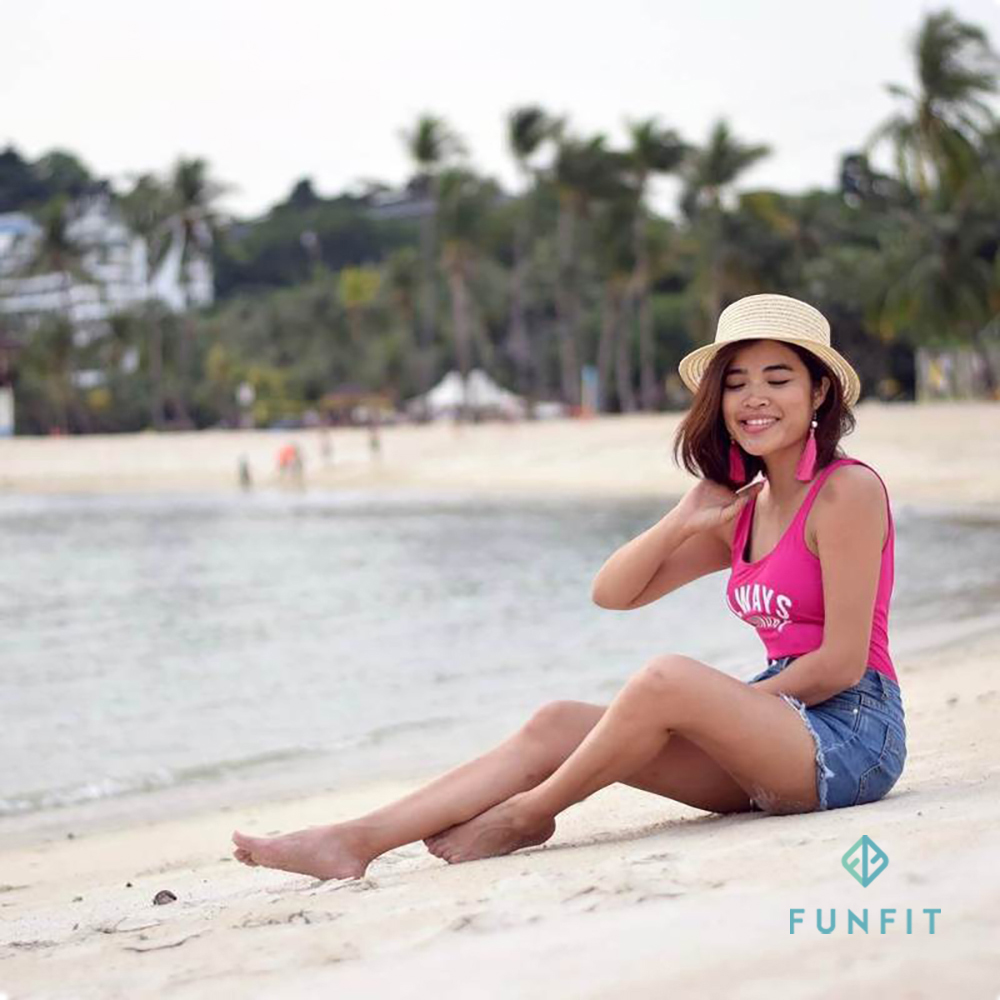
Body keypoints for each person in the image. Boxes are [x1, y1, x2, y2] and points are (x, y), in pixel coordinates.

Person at [231, 293, 906, 881]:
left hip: (851, 735)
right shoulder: (742, 511)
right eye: (736, 383)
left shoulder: (845, 492)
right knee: (558, 721)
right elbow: (613, 593)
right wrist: (681, 520)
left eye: (778, 379)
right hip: (777, 730)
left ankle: (530, 813)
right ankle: (355, 840)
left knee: (667, 679)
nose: (754, 398)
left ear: (820, 392)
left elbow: (842, 664)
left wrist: (722, 711)